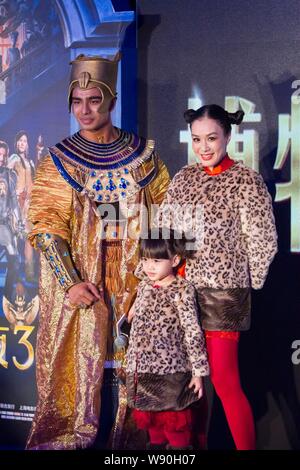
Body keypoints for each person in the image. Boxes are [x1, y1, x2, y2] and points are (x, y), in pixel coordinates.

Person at [25, 52, 170, 450]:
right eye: (77, 101)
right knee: (82, 394)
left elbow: (167, 223)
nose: (84, 110)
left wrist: (159, 282)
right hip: (84, 295)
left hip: (137, 290)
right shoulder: (58, 161)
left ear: (111, 100)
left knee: (134, 394)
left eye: (93, 99)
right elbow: (46, 228)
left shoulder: (143, 157)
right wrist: (71, 283)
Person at [157, 104, 278, 450]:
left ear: (227, 135)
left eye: (211, 138)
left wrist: (247, 282)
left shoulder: (246, 180)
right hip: (183, 293)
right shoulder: (184, 178)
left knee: (224, 381)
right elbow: (163, 232)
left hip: (225, 296)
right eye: (197, 139)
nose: (204, 147)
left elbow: (263, 239)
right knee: (188, 385)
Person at [126, 228, 209, 450]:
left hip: (172, 375)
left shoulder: (182, 290)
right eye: (145, 260)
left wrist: (198, 373)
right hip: (144, 373)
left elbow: (193, 331)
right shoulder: (144, 287)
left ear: (174, 259)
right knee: (154, 434)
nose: (149, 266)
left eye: (156, 260)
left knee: (176, 432)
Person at [8, 130, 35, 280]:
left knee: (28, 240)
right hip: (17, 204)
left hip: (29, 206)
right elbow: (4, 175)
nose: (21, 143)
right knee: (14, 239)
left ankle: (30, 273)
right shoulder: (13, 158)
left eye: (24, 141)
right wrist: (16, 193)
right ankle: (13, 274)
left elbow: (33, 183)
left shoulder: (30, 162)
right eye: (19, 140)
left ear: (27, 144)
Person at [0, 140, 22, 301]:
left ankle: (7, 296)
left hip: (3, 224)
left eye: (3, 155)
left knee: (14, 261)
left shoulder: (8, 175)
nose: (1, 158)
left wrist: (19, 220)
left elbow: (14, 201)